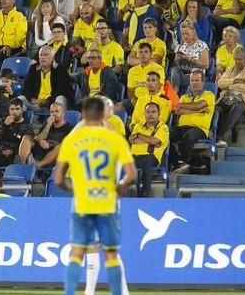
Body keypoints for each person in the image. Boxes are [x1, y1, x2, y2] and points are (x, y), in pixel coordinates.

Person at [55, 96, 136, 295]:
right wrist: (121, 186)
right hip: (107, 197)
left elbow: (59, 176)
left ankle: (87, 291)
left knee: (82, 250)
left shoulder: (79, 136)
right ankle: (107, 291)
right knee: (107, 250)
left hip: (85, 197)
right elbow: (130, 173)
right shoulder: (113, 138)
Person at [216, 47, 245, 148]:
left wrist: (229, 86)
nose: (237, 61)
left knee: (237, 108)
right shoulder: (231, 69)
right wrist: (235, 81)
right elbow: (220, 83)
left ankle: (220, 135)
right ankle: (212, 134)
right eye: (235, 59)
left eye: (240, 59)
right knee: (217, 109)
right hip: (229, 97)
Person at [129, 101, 169, 197]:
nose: (150, 114)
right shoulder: (138, 126)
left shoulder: (163, 127)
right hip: (134, 157)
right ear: (144, 114)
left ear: (158, 114)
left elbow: (155, 141)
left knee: (147, 159)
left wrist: (138, 136)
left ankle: (146, 192)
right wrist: (149, 141)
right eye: (148, 112)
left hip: (151, 158)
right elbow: (131, 139)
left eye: (153, 112)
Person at [0, 98, 34, 169]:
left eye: (17, 109)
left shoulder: (27, 126)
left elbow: (27, 147)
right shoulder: (2, 121)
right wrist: (5, 125)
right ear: (8, 110)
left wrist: (12, 151)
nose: (14, 112)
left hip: (11, 157)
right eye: (12, 109)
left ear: (22, 110)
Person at [19, 101, 72, 168]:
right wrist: (48, 126)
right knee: (26, 137)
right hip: (40, 151)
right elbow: (38, 139)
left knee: (60, 147)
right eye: (52, 112)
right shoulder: (47, 125)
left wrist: (49, 145)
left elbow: (68, 145)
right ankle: (25, 165)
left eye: (57, 111)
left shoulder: (70, 128)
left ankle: (38, 165)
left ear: (63, 113)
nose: (54, 114)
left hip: (54, 155)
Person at [20, 45, 71, 111]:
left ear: (52, 58)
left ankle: (59, 120)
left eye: (46, 55)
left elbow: (62, 91)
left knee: (60, 98)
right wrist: (33, 100)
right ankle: (21, 121)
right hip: (35, 103)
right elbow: (26, 88)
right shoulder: (33, 69)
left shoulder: (60, 69)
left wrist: (46, 101)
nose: (43, 57)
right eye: (41, 55)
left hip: (52, 103)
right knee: (20, 100)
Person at [170, 20, 210, 94]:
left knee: (175, 79)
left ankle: (174, 94)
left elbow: (206, 65)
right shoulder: (180, 47)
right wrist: (178, 59)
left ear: (193, 33)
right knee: (174, 70)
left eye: (187, 34)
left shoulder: (201, 45)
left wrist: (190, 59)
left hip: (196, 76)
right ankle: (175, 92)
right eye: (183, 34)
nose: (185, 36)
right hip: (182, 74)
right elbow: (176, 64)